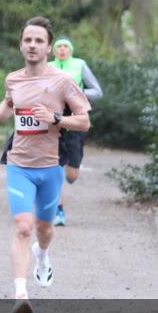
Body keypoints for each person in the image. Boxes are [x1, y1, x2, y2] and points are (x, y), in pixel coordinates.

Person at [0, 17, 90, 313]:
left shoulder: (62, 81)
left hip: (51, 166)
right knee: (23, 226)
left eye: (38, 41)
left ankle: (42, 256)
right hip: (19, 165)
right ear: (21, 45)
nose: (32, 45)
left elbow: (84, 121)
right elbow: (8, 103)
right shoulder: (13, 79)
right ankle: (20, 293)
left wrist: (56, 119)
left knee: (44, 229)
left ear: (48, 47)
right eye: (27, 40)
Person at [48, 36, 103, 226]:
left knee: (71, 174)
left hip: (76, 120)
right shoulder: (47, 67)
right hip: (53, 122)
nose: (62, 49)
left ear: (71, 50)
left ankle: (68, 174)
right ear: (54, 51)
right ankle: (58, 211)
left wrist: (76, 92)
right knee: (55, 167)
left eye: (66, 46)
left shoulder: (80, 65)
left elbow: (97, 91)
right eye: (59, 47)